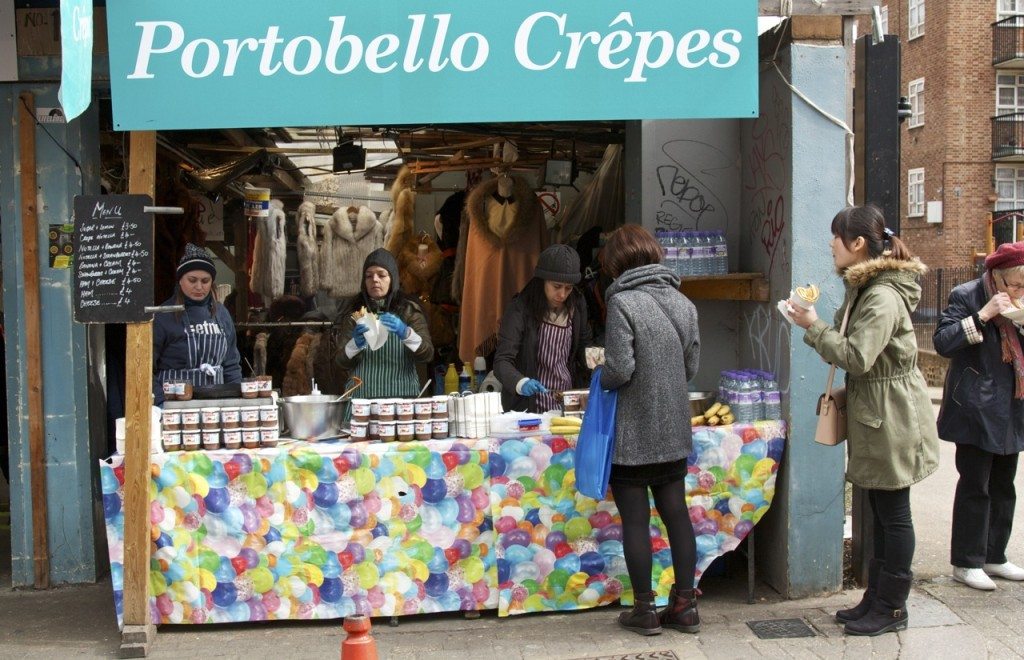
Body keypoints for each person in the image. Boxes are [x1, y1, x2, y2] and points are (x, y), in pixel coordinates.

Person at [788, 205, 939, 636]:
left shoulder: (882, 295)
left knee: (894, 513)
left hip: (890, 417)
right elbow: (850, 346)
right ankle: (875, 599)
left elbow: (857, 356)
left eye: (837, 237)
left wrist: (813, 325)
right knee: (878, 507)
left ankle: (892, 608)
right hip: (876, 413)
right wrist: (813, 321)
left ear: (857, 244)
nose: (831, 244)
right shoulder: (864, 288)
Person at [597, 225, 701, 636]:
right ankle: (686, 606)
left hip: (633, 434)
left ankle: (645, 610)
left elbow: (620, 369)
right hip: (674, 430)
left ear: (616, 265)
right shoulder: (684, 303)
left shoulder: (622, 302)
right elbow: (690, 368)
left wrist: (600, 378)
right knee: (677, 515)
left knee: (636, 521)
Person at [933, 241, 1024, 591]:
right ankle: (966, 562)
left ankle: (994, 556)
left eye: (1022, 286)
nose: (1017, 291)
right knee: (975, 484)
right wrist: (983, 315)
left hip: (1012, 405)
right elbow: (943, 342)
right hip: (974, 406)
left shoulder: (1019, 297)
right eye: (1013, 285)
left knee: (1005, 484)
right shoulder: (966, 294)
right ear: (996, 278)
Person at [494, 244, 592, 413]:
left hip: (567, 401)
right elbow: (502, 361)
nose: (562, 294)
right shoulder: (520, 308)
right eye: (556, 286)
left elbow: (585, 346)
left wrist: (599, 366)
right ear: (542, 281)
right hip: (529, 405)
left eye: (568, 288)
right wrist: (521, 382)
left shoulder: (577, 304)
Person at [335, 248, 433, 400]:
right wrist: (354, 344)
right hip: (362, 400)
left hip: (402, 401)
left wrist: (406, 333)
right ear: (364, 282)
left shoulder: (409, 311)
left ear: (392, 279)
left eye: (381, 275)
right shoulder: (355, 314)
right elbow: (341, 362)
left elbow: (427, 354)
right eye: (369, 276)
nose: (375, 279)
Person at [153, 244, 242, 404]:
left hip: (216, 404)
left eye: (205, 281)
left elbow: (231, 365)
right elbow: (145, 370)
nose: (199, 287)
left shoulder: (221, 314)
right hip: (174, 405)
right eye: (192, 280)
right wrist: (160, 404)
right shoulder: (163, 316)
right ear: (180, 280)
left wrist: (234, 400)